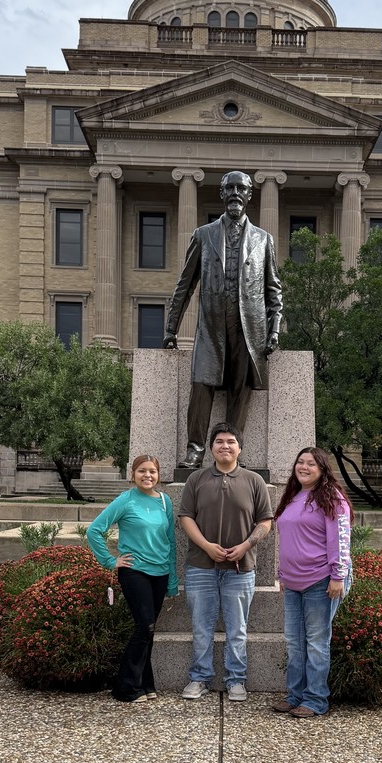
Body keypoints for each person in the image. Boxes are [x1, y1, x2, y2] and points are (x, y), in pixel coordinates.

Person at [163, 170, 283, 469]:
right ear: (221, 194)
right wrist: (170, 328)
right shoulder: (203, 235)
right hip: (211, 329)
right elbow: (184, 285)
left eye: (241, 188)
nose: (235, 193)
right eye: (229, 188)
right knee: (201, 386)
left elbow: (274, 290)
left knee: (240, 391)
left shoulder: (263, 239)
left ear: (249, 195)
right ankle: (195, 448)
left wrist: (274, 330)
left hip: (249, 330)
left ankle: (232, 450)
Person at [178, 422, 273, 702]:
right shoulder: (196, 480)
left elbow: (265, 521)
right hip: (200, 567)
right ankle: (199, 678)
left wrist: (246, 545)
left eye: (231, 441)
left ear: (239, 447)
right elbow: (186, 517)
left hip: (240, 569)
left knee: (237, 628)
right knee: (201, 627)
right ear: (211, 449)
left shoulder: (254, 481)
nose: (225, 446)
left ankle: (236, 680)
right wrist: (207, 547)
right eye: (219, 441)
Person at [87, 454, 178, 704]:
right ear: (133, 474)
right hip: (135, 571)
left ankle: (146, 684)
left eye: (152, 471)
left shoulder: (164, 501)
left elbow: (170, 541)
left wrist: (172, 580)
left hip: (160, 574)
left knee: (148, 630)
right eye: (142, 471)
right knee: (144, 627)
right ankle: (125, 687)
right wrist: (110, 560)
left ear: (159, 475)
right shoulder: (125, 500)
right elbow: (94, 530)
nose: (147, 475)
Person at [272, 446, 353, 718]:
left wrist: (338, 575)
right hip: (292, 583)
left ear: (322, 469)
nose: (304, 467)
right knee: (295, 643)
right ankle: (295, 696)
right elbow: (287, 540)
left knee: (317, 643)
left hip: (321, 580)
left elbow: (340, 539)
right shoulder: (293, 496)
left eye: (311, 464)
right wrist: (282, 574)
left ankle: (316, 700)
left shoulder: (332, 498)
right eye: (300, 462)